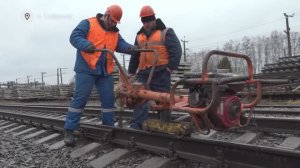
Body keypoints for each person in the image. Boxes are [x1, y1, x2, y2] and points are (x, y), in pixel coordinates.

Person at [64, 4, 136, 146]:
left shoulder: (114, 32)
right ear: (107, 15)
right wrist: (86, 45)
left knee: (109, 101)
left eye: (116, 22)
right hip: (86, 68)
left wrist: (133, 49)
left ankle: (108, 129)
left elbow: (121, 44)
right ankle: (69, 130)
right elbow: (74, 36)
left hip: (104, 71)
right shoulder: (88, 23)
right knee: (80, 100)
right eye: (113, 21)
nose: (114, 24)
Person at [128, 5, 182, 129]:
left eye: (148, 20)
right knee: (140, 98)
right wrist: (131, 72)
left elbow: (176, 50)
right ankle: (138, 125)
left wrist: (170, 68)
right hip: (143, 73)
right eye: (144, 21)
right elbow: (135, 55)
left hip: (160, 71)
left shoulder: (166, 32)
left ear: (154, 19)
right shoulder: (139, 36)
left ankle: (164, 124)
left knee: (163, 99)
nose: (146, 23)